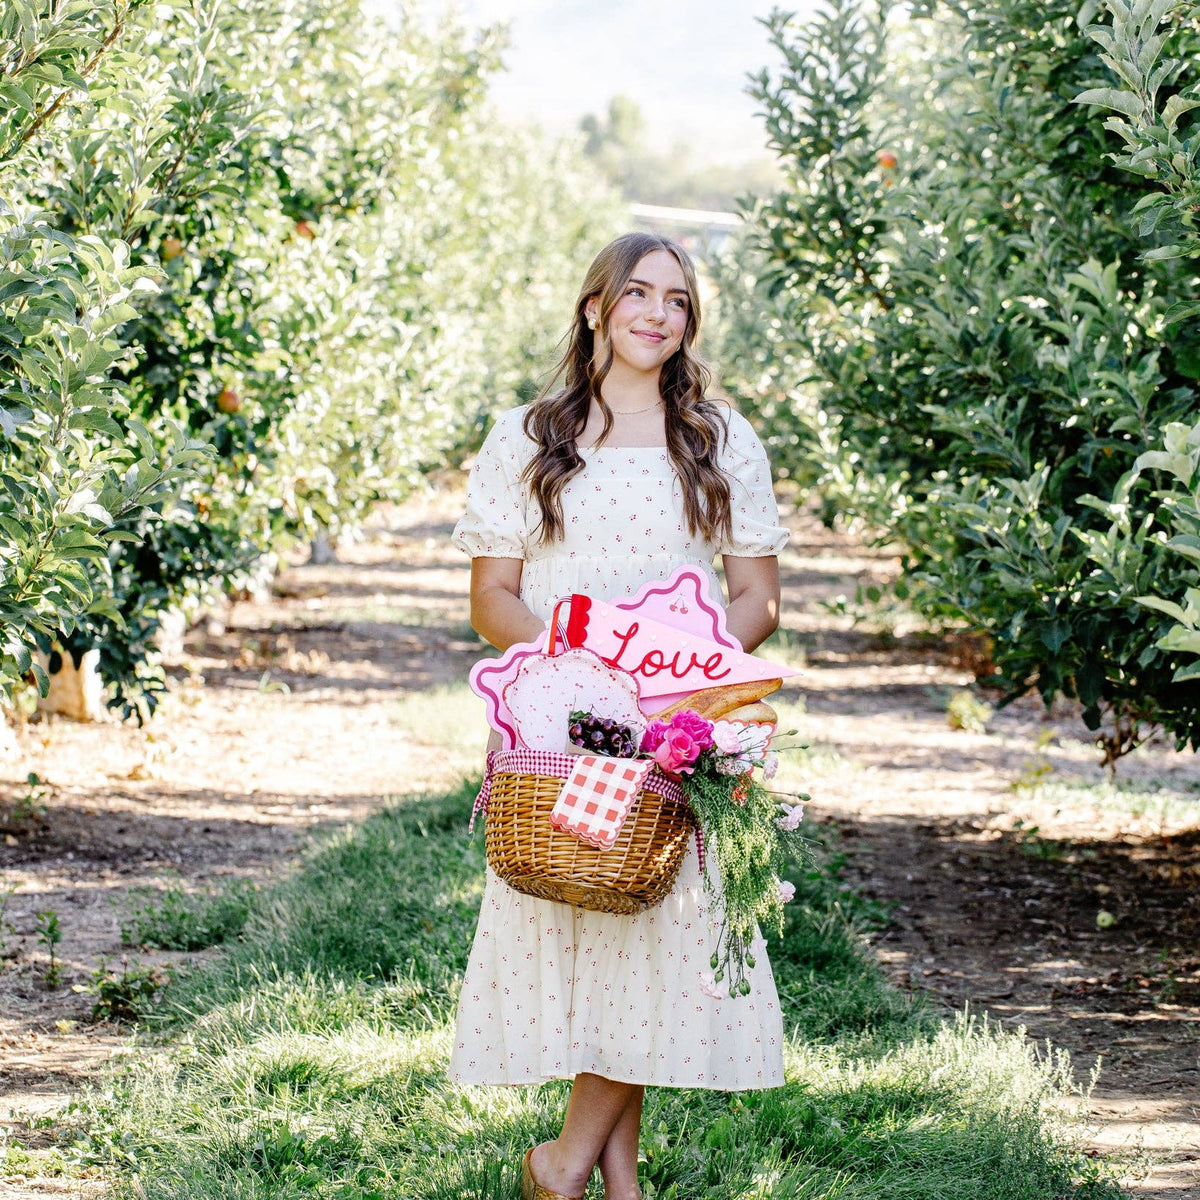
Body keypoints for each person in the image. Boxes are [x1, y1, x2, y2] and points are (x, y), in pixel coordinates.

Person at [449, 231, 788, 1200]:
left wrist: (682, 682)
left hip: (675, 725)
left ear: (689, 325)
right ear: (596, 308)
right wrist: (581, 679)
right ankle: (601, 1172)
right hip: (564, 723)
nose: (656, 313)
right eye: (636, 293)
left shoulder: (718, 440)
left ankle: (572, 1164)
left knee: (660, 925)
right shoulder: (529, 437)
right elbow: (494, 597)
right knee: (593, 910)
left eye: (677, 301)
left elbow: (757, 598)